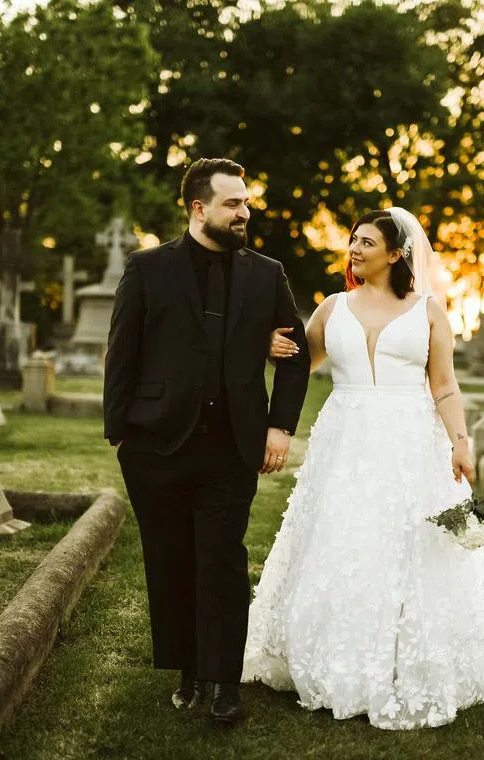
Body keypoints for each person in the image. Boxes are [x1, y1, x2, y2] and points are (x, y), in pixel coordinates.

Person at [244, 208, 484, 730]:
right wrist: (268, 347)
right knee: (343, 536)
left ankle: (410, 641)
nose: (354, 249)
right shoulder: (330, 308)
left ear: (396, 253)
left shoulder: (428, 309)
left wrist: (460, 444)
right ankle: (335, 643)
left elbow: (444, 384)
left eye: (366, 242)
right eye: (353, 240)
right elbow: (298, 362)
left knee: (409, 540)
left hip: (409, 437)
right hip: (346, 437)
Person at [104, 158, 311, 726]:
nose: (245, 212)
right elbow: (122, 353)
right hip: (156, 446)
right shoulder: (147, 269)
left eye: (245, 202)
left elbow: (297, 361)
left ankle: (224, 683)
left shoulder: (267, 274)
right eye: (233, 204)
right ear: (199, 209)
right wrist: (120, 433)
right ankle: (187, 669)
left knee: (221, 561)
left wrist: (280, 427)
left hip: (231, 447)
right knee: (170, 561)